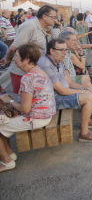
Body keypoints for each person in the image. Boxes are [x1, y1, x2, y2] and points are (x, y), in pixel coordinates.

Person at [0, 43, 56, 172]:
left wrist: (10, 100)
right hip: (45, 114)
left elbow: (25, 109)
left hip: (36, 118)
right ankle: (9, 154)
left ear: (26, 60)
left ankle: (7, 161)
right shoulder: (39, 70)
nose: (14, 59)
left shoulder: (27, 78)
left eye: (17, 56)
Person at [37, 38, 92, 143]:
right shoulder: (46, 65)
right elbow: (62, 91)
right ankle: (84, 133)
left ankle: (88, 120)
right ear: (51, 50)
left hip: (61, 94)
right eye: (62, 50)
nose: (65, 53)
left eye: (66, 50)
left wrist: (85, 88)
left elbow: (68, 82)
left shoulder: (57, 60)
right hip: (53, 100)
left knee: (90, 90)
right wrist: (83, 92)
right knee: (88, 97)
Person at [1, 5, 56, 94]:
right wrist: (7, 60)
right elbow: (13, 48)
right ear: (44, 16)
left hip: (32, 71)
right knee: (22, 100)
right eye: (53, 17)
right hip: (22, 73)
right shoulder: (30, 26)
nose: (55, 19)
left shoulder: (41, 27)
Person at [59, 31, 92, 98]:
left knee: (88, 70)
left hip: (72, 75)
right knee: (87, 71)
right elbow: (82, 66)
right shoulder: (68, 53)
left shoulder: (69, 51)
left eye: (76, 40)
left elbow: (82, 48)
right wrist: (81, 54)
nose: (76, 43)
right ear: (65, 41)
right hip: (71, 78)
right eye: (74, 40)